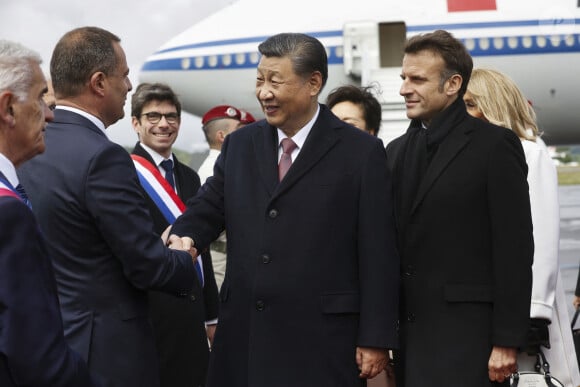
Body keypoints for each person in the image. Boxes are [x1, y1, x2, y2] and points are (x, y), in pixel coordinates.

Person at [169, 32, 400, 387]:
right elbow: (211, 203)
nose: (264, 92)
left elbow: (378, 250)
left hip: (321, 340)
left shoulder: (361, 152)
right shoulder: (241, 145)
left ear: (313, 83)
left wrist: (375, 336)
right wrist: (185, 235)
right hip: (245, 335)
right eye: (259, 80)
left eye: (275, 81)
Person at [17, 27, 199, 387]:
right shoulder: (104, 157)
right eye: (125, 74)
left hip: (50, 338)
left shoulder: (33, 146)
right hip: (107, 353)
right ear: (99, 83)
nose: (129, 86)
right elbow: (146, 265)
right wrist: (182, 257)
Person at [386, 30, 534, 387]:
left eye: (417, 79)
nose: (405, 88)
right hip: (410, 339)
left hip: (472, 341)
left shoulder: (494, 146)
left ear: (453, 84)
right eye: (404, 78)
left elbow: (514, 249)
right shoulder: (393, 152)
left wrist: (507, 340)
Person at [464, 67, 580, 387]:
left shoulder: (528, 151)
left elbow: (540, 238)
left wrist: (533, 315)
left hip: (526, 310)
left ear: (495, 105)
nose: (466, 115)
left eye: (473, 104)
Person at [0, 38, 97, 387]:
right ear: (8, 108)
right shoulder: (9, 215)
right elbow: (40, 361)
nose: (51, 113)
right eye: (41, 97)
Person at [130, 82, 219, 387]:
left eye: (171, 116)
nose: (164, 124)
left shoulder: (190, 176)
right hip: (151, 311)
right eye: (153, 116)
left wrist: (212, 315)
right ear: (136, 123)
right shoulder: (122, 173)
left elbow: (201, 249)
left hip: (192, 310)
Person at [197, 104, 251, 291]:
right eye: (238, 130)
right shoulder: (215, 169)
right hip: (220, 257)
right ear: (222, 136)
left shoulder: (224, 164)